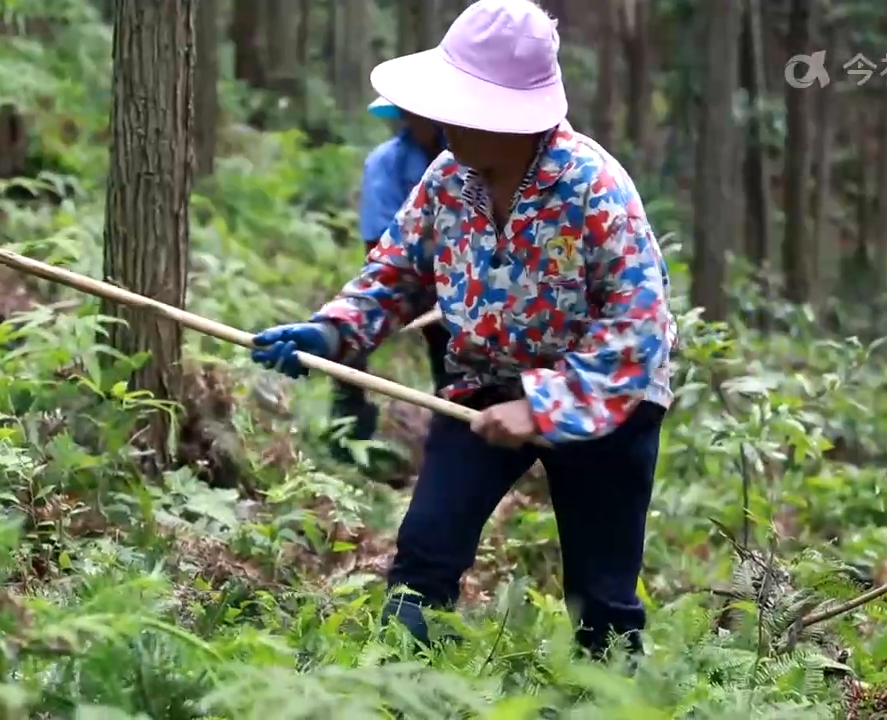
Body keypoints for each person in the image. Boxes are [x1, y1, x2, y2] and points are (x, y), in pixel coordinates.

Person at [249, 0, 675, 660]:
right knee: (426, 552)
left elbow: (637, 327)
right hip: (479, 381)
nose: (443, 121)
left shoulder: (596, 189)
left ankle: (612, 689)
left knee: (602, 597)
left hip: (605, 405)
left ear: (510, 118)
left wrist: (542, 408)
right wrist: (331, 334)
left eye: (463, 105)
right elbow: (394, 272)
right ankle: (397, 684)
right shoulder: (448, 180)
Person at [327, 96, 450, 465]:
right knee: (346, 338)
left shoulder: (472, 156)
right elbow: (378, 244)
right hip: (406, 277)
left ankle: (449, 446)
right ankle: (350, 437)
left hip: (467, 289)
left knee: (456, 367)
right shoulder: (386, 162)